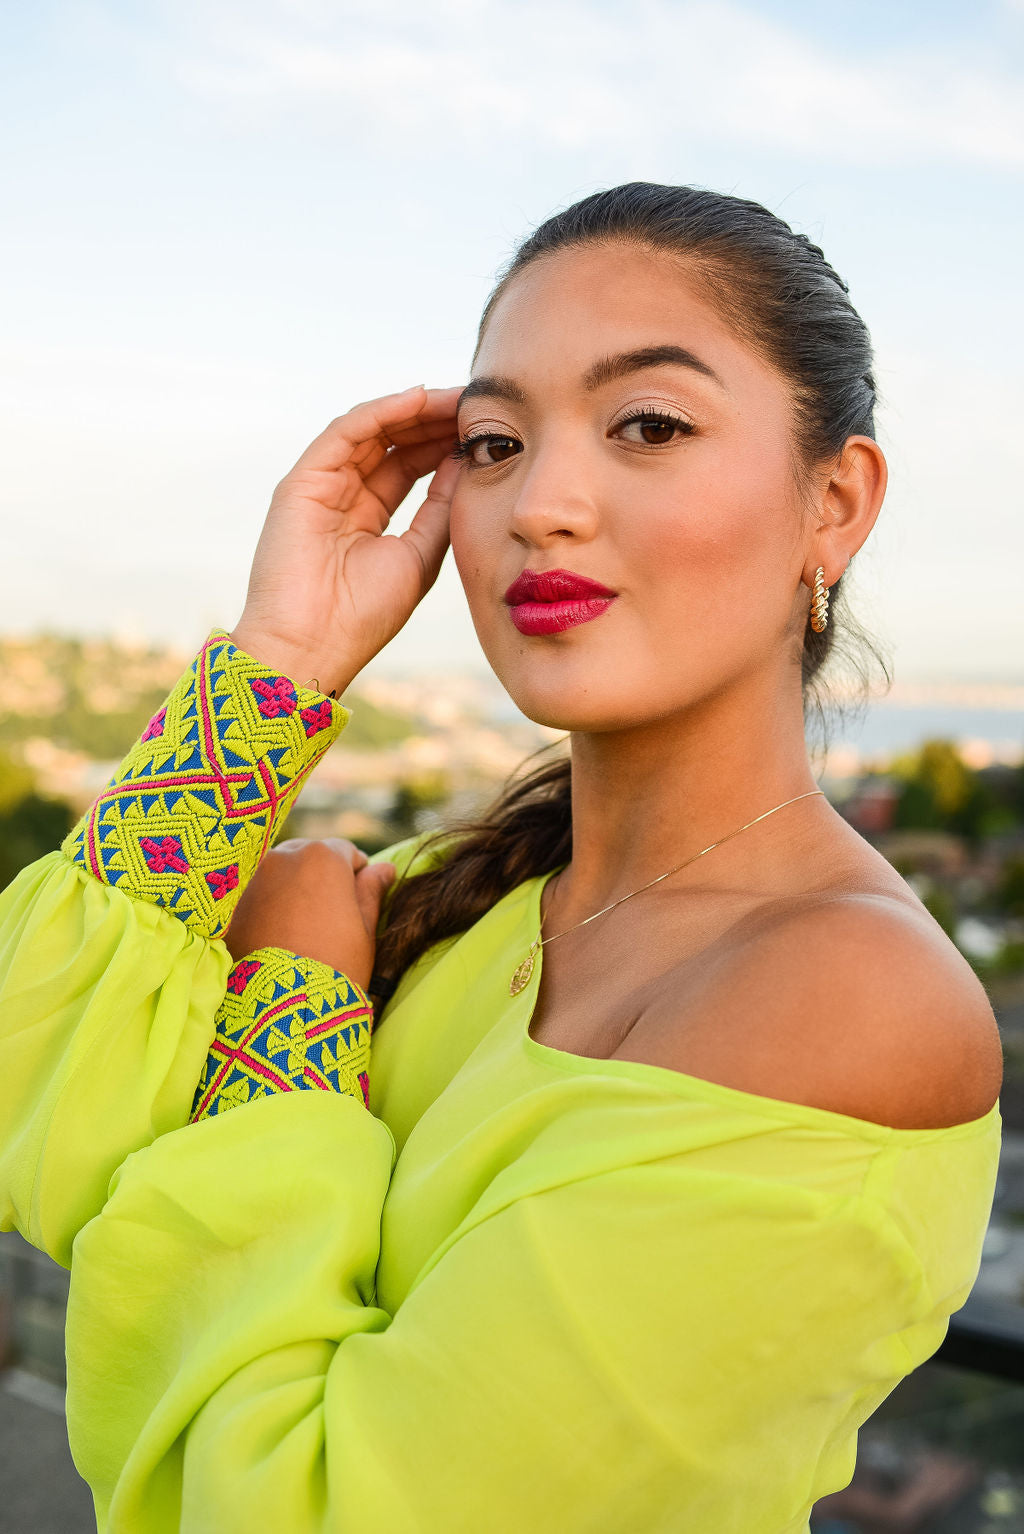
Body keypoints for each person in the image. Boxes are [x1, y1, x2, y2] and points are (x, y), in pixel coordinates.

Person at [0, 182, 1004, 1533]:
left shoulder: (847, 999)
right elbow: (53, 1125)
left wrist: (288, 1027)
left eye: (648, 423)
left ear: (834, 500)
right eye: (492, 441)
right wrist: (276, 664)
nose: (542, 501)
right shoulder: (463, 893)